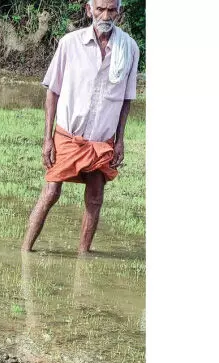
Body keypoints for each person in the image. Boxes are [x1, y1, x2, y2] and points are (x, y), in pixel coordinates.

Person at [21, 0, 139, 254]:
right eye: (100, 9)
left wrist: (119, 140)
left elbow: (126, 100)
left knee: (96, 196)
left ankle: (83, 255)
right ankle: (24, 250)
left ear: (119, 12)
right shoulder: (70, 43)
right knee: (51, 191)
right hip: (67, 134)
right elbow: (52, 92)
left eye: (112, 10)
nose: (106, 15)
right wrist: (47, 139)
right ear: (89, 10)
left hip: (102, 139)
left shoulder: (129, 48)